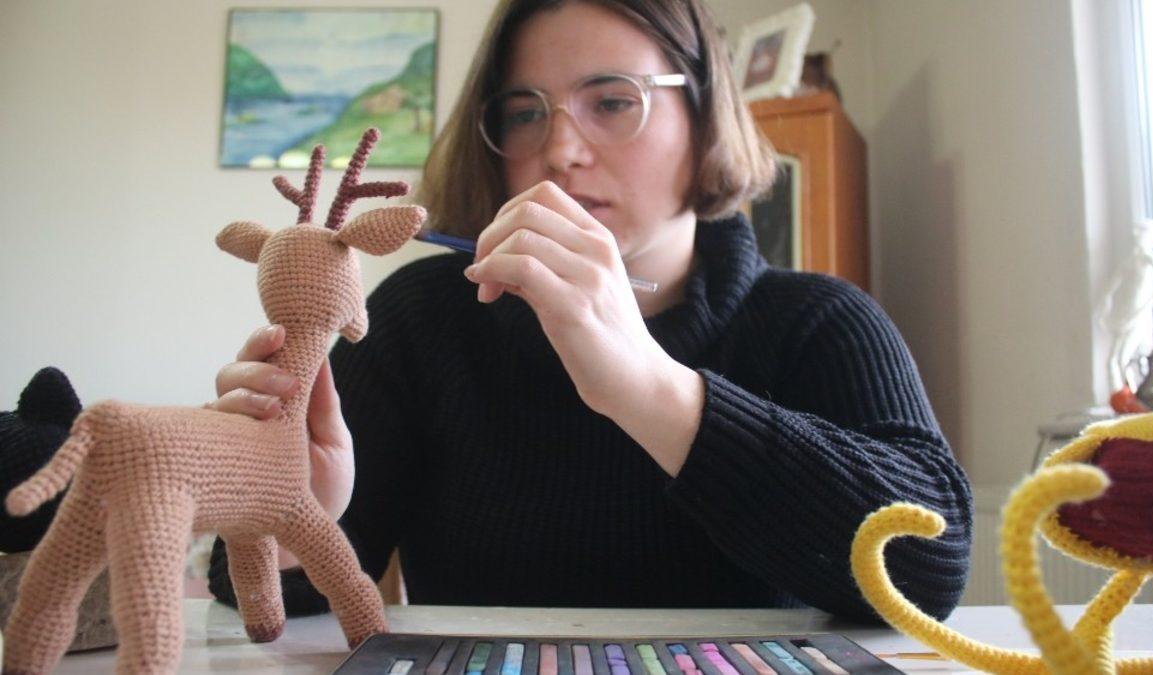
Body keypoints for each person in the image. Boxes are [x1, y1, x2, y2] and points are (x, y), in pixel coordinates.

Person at [208, 0, 972, 622]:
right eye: (523, 113)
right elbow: (263, 598)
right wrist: (284, 504)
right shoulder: (420, 316)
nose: (560, 150)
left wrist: (648, 386)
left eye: (611, 101)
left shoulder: (820, 320)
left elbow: (928, 566)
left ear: (704, 114)